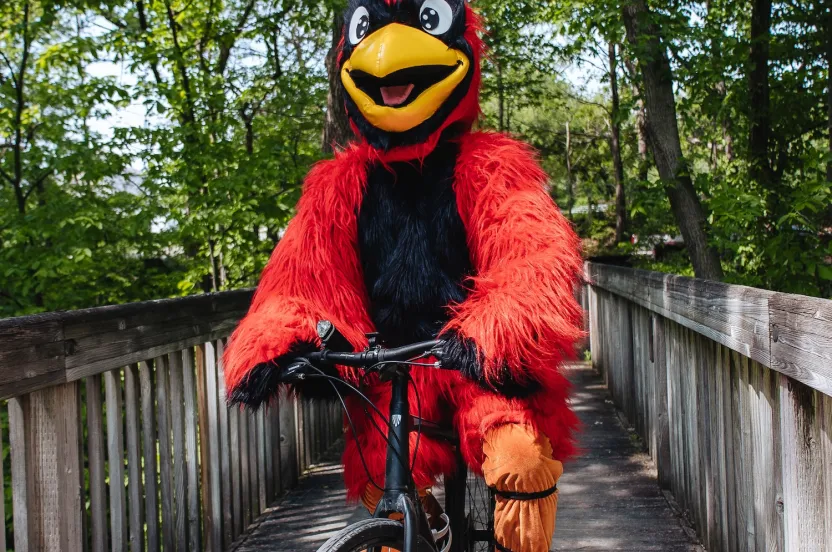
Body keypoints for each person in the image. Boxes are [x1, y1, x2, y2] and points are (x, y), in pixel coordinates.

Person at [223, 1, 584, 549]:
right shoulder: (337, 187)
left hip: (475, 368)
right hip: (392, 372)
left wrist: (493, 333)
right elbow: (300, 281)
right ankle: (422, 524)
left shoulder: (491, 166)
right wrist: (284, 346)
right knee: (379, 480)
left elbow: (532, 256)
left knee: (521, 463)